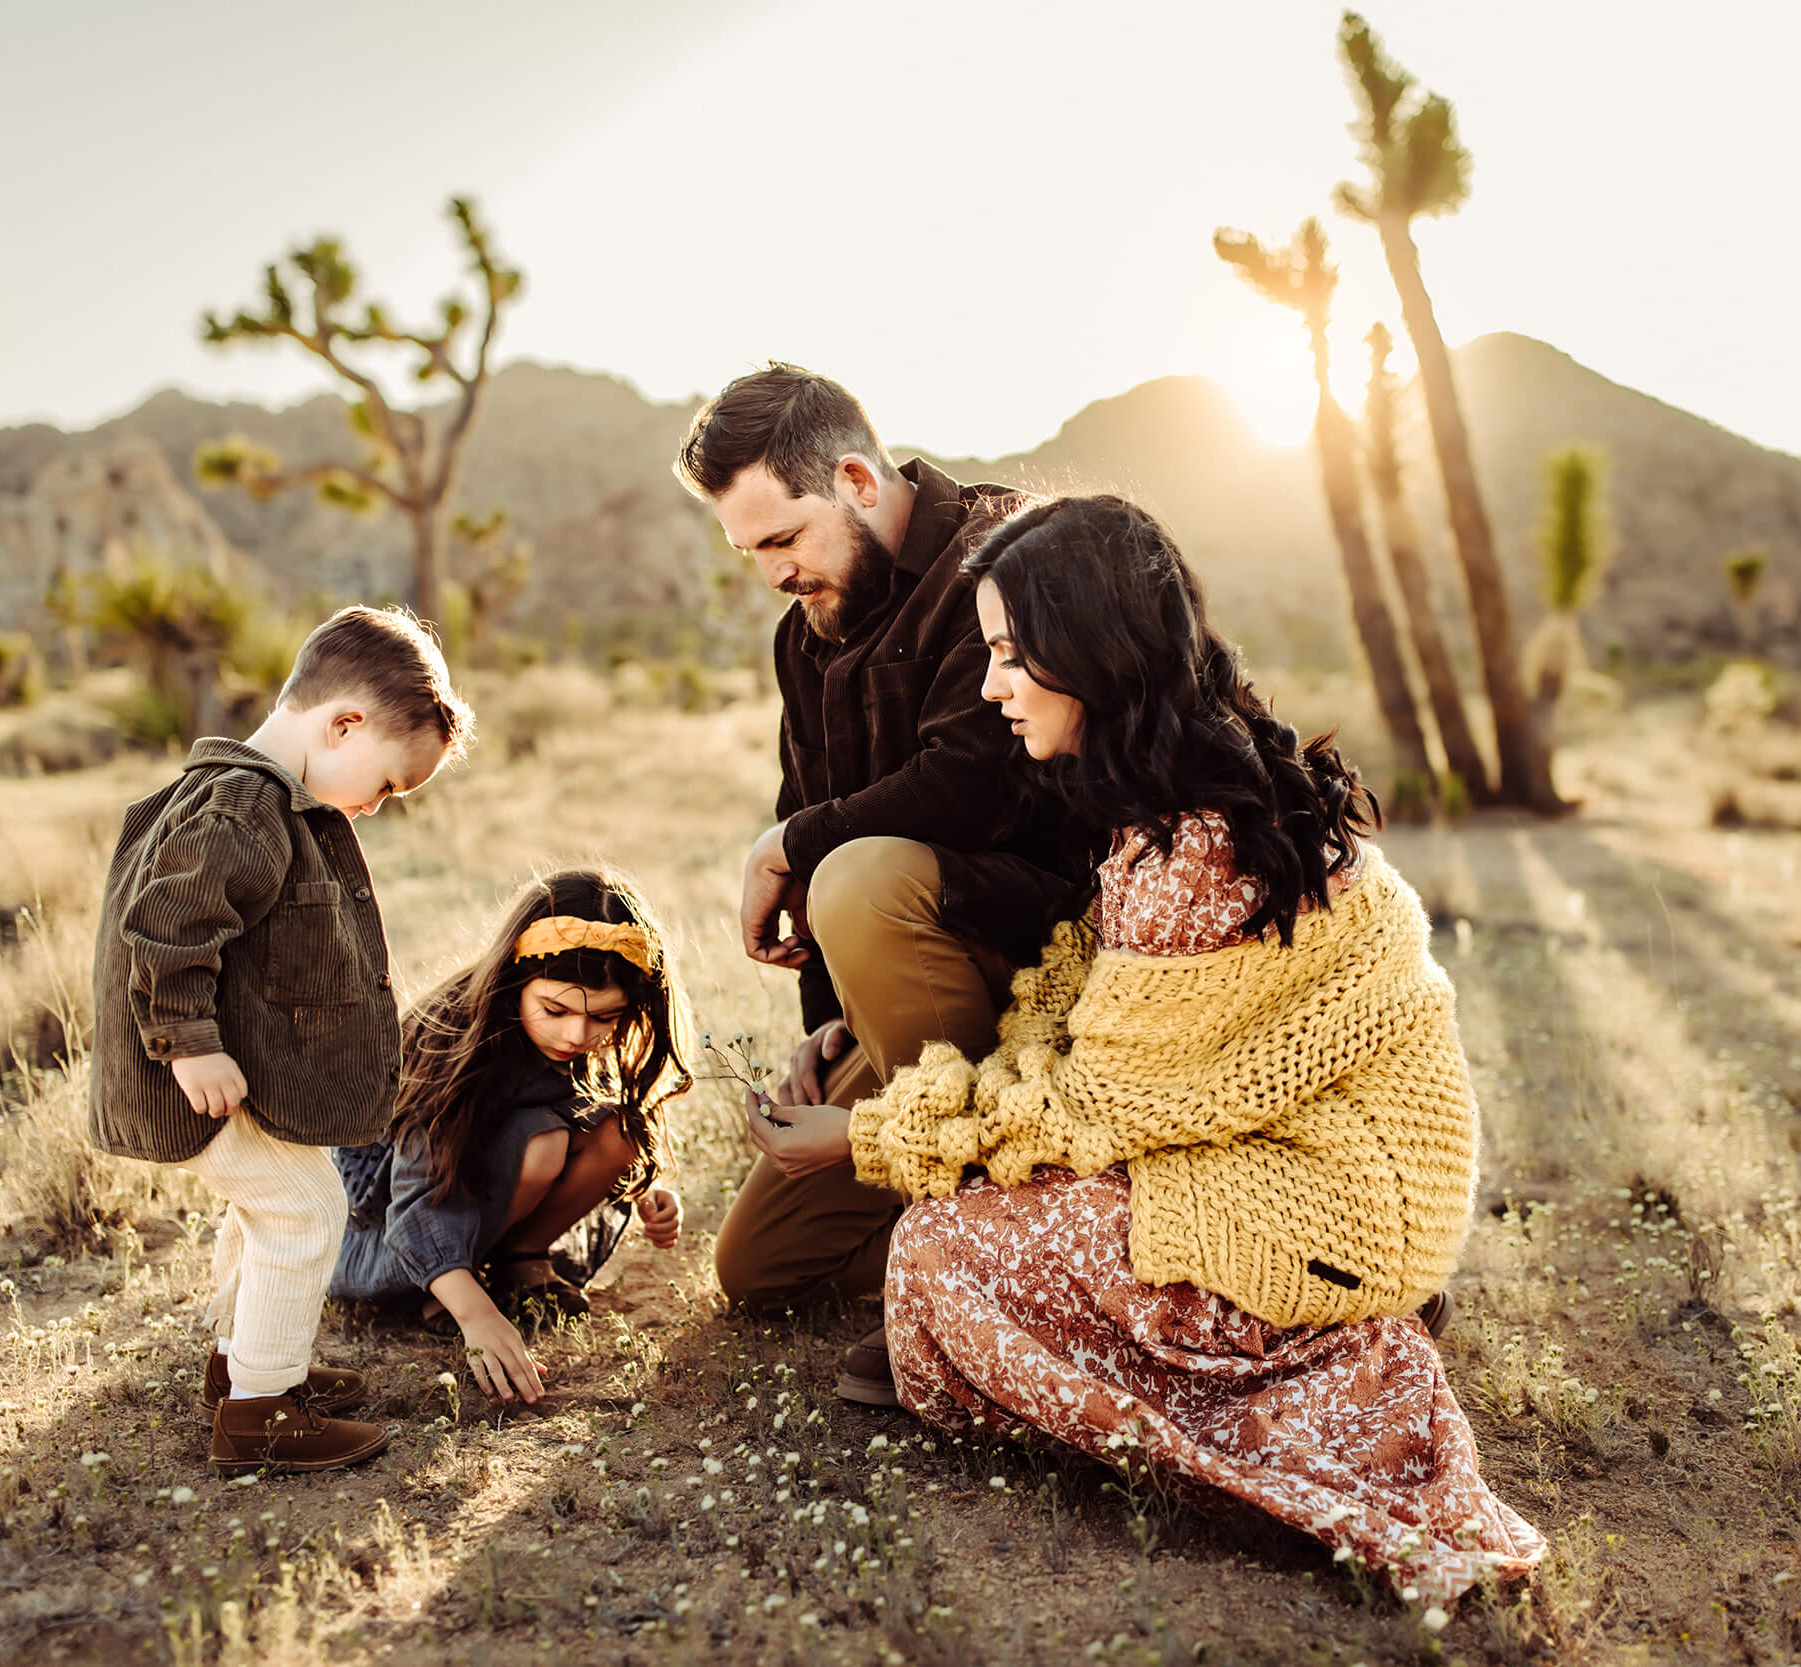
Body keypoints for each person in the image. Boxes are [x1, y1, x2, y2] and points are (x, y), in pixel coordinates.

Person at [747, 497, 1546, 1611]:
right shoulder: (1157, 797)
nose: (990, 687)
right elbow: (1076, 1017)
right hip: (1294, 1162)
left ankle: (1327, 1352)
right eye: (988, 653)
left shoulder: (1193, 847)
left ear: (1097, 654)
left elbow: (1085, 1107)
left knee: (934, 1250)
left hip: (1334, 1201)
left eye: (1015, 656)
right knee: (949, 1238)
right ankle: (1287, 1331)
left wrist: (868, 1135)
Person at [673, 364, 1088, 1401]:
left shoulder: (1004, 563)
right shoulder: (801, 639)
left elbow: (973, 783)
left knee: (851, 869)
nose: (773, 571)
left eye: (784, 539)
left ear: (856, 475)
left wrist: (789, 843)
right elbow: (807, 800)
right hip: (913, 998)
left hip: (1053, 973)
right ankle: (1019, 1248)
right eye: (750, 551)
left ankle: (989, 1259)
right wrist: (831, 1025)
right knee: (759, 1267)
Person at [89, 605, 474, 1474]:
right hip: (184, 1071)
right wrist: (190, 1041)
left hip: (216, 1071)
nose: (375, 808)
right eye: (383, 785)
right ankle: (260, 1413)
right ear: (343, 724)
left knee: (265, 1209)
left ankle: (249, 1364)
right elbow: (165, 927)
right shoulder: (241, 808)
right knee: (306, 1208)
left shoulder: (256, 800)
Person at [329, 870, 691, 1404]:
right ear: (513, 980)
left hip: (478, 1199)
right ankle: (455, 1289)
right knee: (541, 1141)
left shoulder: (568, 1039)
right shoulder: (450, 1043)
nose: (577, 1035)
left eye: (604, 1017)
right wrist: (477, 1317)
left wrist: (643, 1189)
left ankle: (520, 1260)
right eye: (555, 1010)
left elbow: (589, 1110)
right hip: (386, 1226)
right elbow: (412, 1203)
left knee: (619, 1132)